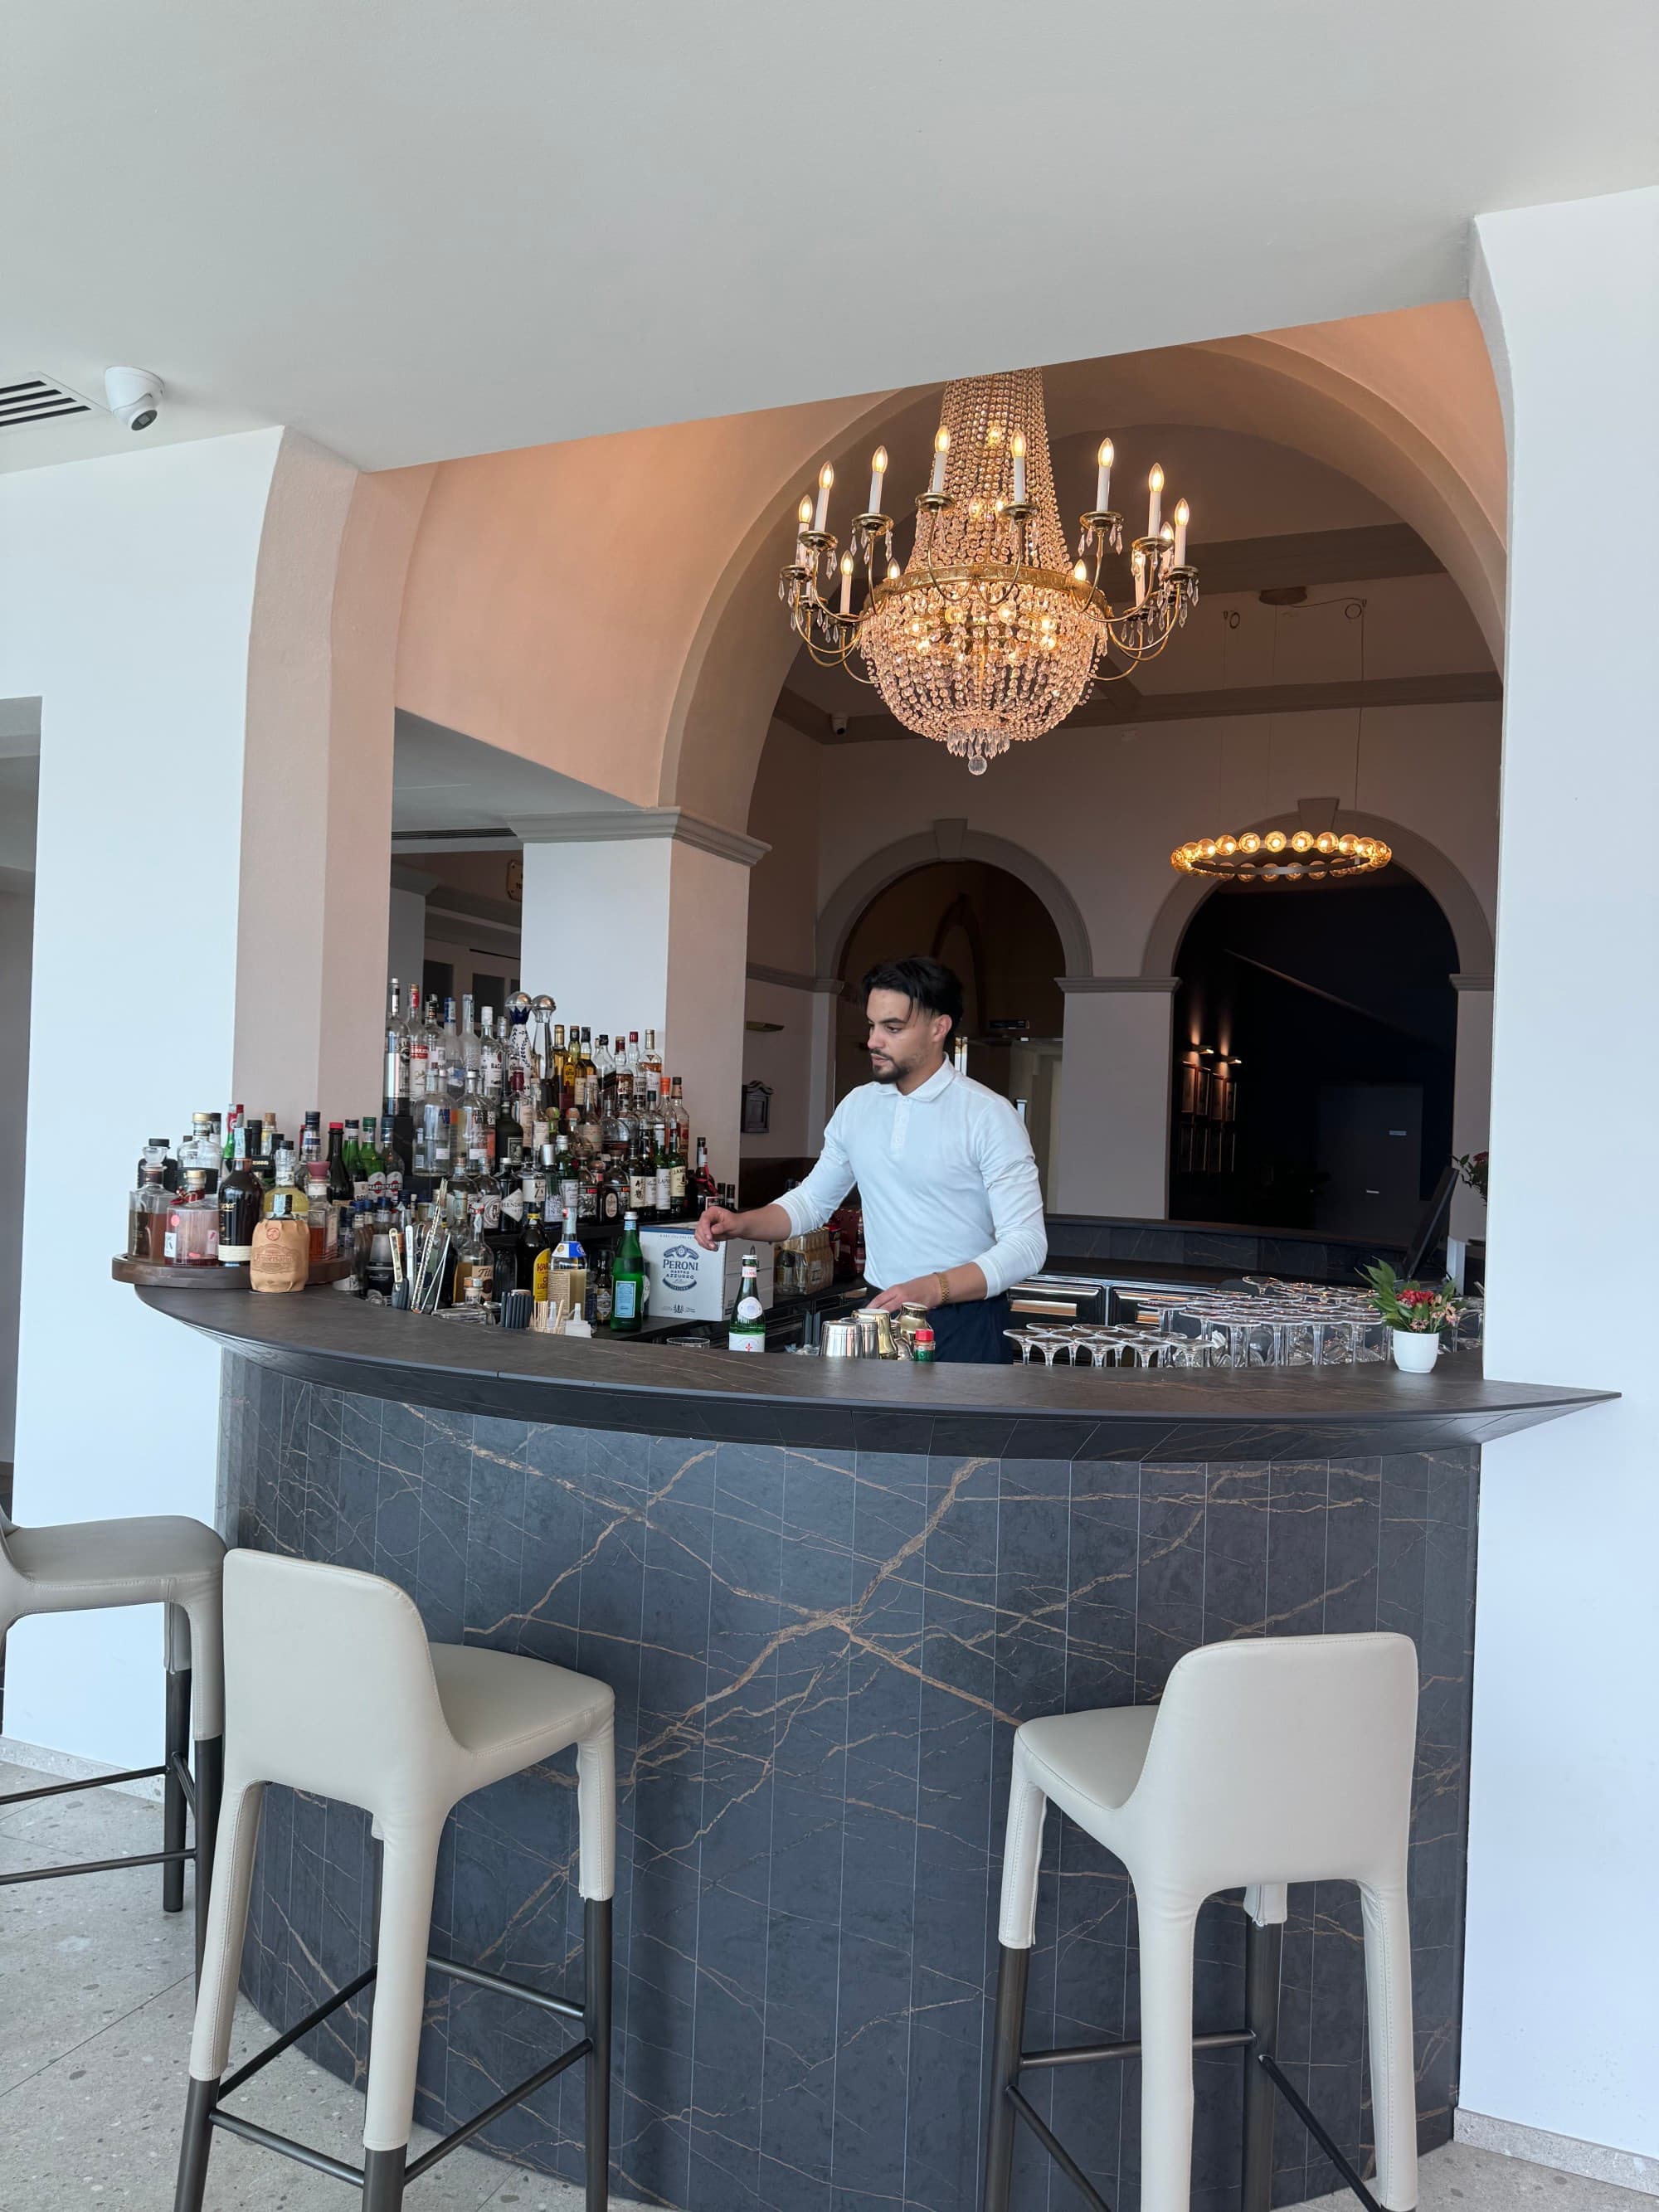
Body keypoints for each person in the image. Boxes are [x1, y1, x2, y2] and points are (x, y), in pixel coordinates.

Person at [695, 956, 1046, 1363]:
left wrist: (934, 1287)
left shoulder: (988, 1115)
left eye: (892, 1028)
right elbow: (811, 1203)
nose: (874, 1040)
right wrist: (743, 1223)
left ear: (939, 1028)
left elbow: (1027, 1245)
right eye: (872, 1025)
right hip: (879, 1316)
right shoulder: (858, 1106)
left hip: (966, 1321)